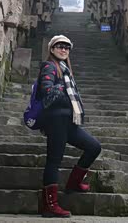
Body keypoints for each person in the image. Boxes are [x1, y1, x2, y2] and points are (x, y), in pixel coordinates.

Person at [37, 35, 102, 218]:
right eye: (60, 46)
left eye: (67, 47)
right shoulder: (49, 66)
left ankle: (74, 183)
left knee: (94, 147)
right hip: (56, 121)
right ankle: (50, 206)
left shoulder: (65, 70)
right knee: (54, 161)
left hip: (69, 122)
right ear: (52, 49)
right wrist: (63, 89)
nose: (64, 49)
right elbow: (46, 92)